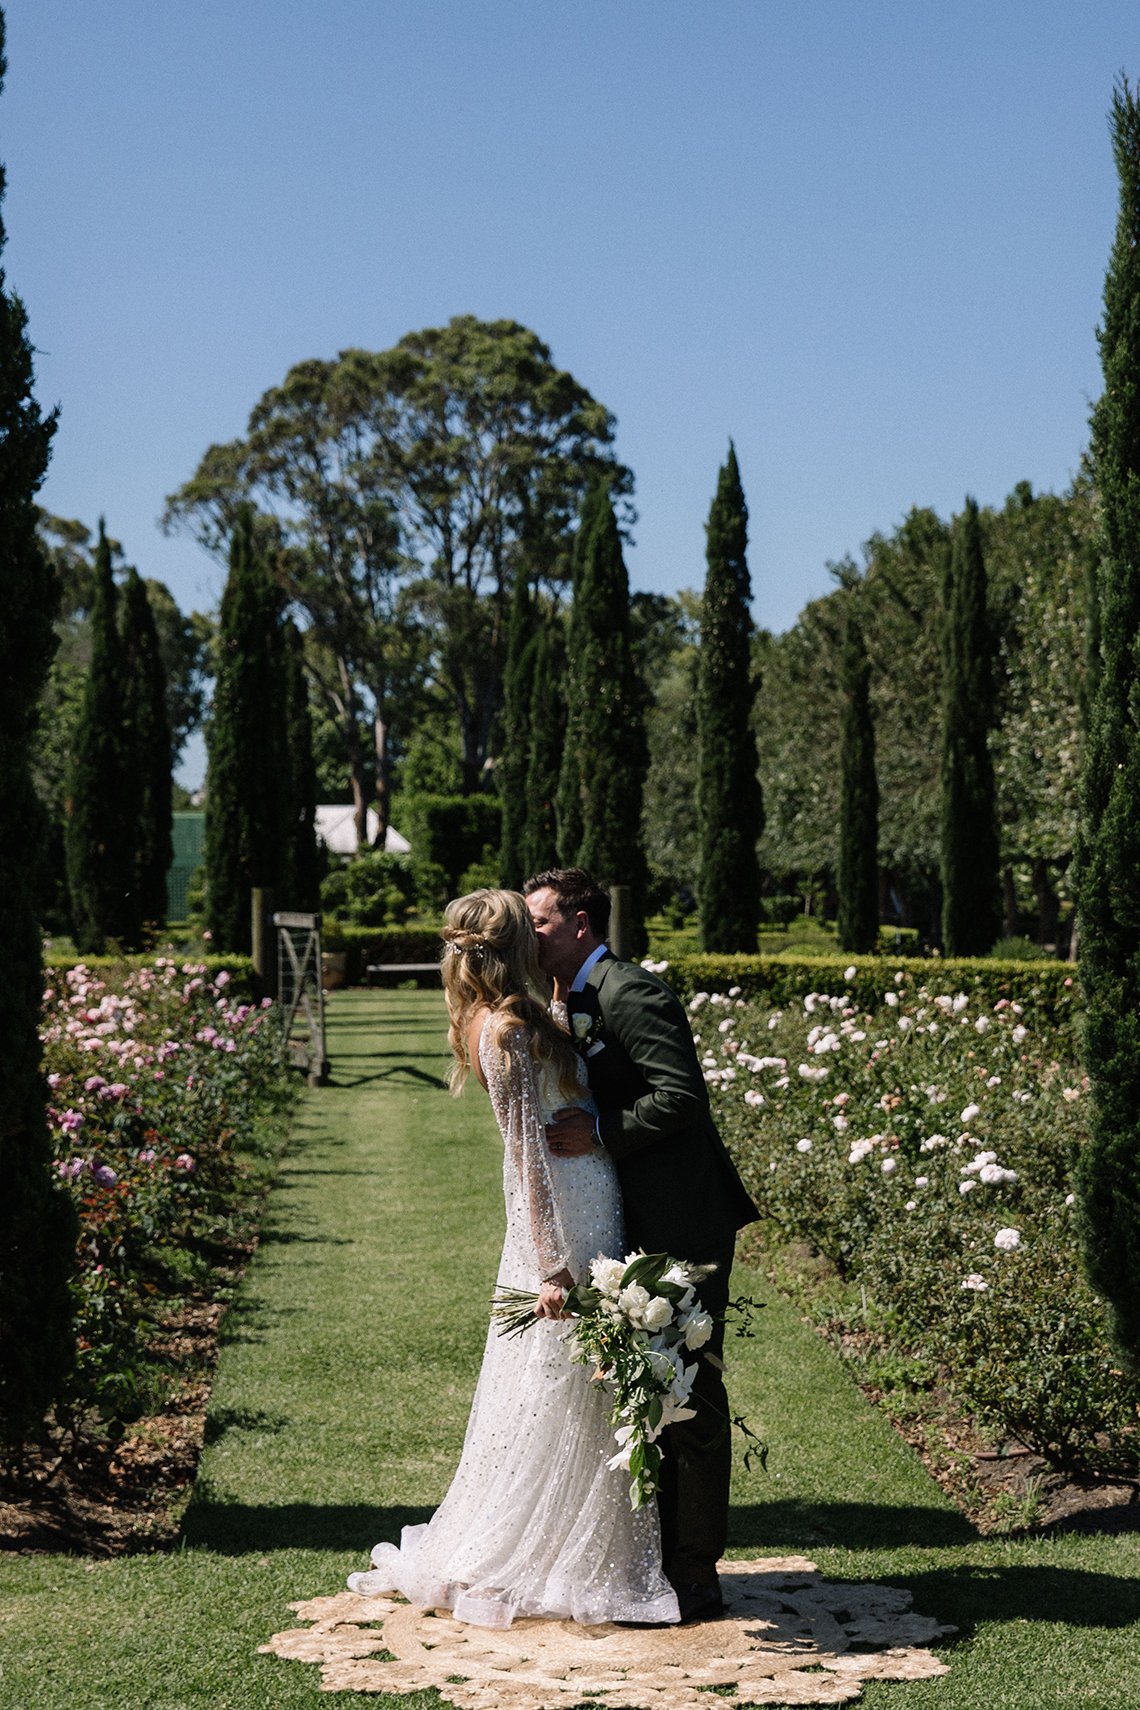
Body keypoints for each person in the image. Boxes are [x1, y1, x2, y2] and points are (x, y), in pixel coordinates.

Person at [346, 887, 679, 1629]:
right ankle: (541, 1552)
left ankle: (574, 1546)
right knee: (559, 1383)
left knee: (580, 1382)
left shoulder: (518, 1014)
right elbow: (524, 1155)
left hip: (592, 1201)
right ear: (514, 948)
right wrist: (551, 1264)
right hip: (563, 1219)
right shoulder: (502, 1031)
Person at [523, 868, 759, 1627]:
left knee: (688, 1389)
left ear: (581, 924)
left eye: (539, 922)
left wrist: (599, 1131)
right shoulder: (567, 996)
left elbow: (681, 1096)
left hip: (681, 1219)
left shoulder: (629, 992)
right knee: (640, 1386)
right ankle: (649, 1558)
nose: (530, 934)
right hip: (625, 1219)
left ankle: (696, 1572)